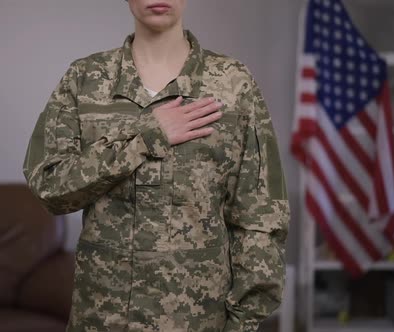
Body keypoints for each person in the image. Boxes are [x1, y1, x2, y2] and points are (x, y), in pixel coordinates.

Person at [22, 0, 290, 331]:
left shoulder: (232, 83)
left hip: (198, 320)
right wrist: (145, 138)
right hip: (103, 318)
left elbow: (259, 213)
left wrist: (244, 320)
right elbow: (50, 186)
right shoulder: (86, 78)